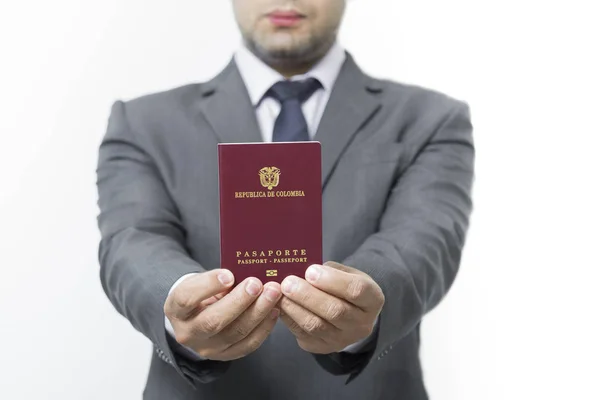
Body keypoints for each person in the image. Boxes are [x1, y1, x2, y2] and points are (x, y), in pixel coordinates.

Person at [96, 0, 474, 399]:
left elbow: (426, 241)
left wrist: (359, 298)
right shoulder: (143, 123)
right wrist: (179, 298)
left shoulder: (431, 119)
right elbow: (132, 239)